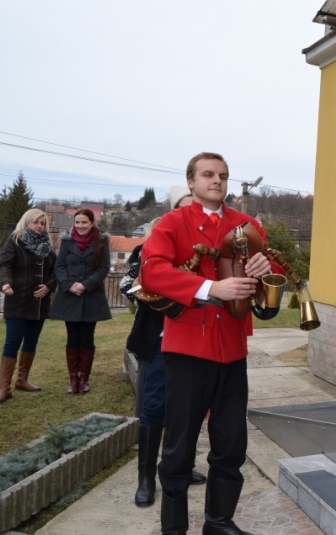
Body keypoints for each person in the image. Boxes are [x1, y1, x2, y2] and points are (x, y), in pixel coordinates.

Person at [141, 152, 281, 535]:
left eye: (222, 175)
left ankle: (219, 522)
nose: (216, 180)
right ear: (191, 181)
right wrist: (209, 287)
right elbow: (151, 271)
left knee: (231, 443)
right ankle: (174, 529)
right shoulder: (173, 222)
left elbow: (276, 269)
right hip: (187, 352)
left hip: (232, 350)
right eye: (207, 174)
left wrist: (266, 268)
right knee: (179, 449)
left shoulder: (247, 224)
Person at [120, 186, 206, 508]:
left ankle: (178, 467)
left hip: (196, 339)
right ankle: (146, 478)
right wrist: (163, 293)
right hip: (159, 340)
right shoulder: (149, 246)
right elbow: (129, 287)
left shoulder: (205, 247)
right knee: (155, 406)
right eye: (185, 206)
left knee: (187, 408)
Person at [50, 208, 112, 394]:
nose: (80, 226)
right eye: (77, 222)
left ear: (92, 223)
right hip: (70, 295)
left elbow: (104, 268)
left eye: (84, 222)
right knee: (72, 338)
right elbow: (59, 266)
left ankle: (84, 379)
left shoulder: (101, 241)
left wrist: (85, 285)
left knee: (87, 338)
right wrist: (69, 285)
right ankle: (73, 379)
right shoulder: (67, 241)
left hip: (91, 295)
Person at [0, 209, 57, 403]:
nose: (39, 226)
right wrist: (5, 283)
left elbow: (55, 272)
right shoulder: (15, 241)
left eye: (42, 223)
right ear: (27, 222)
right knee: (12, 342)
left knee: (31, 342)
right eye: (36, 222)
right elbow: (5, 264)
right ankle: (4, 387)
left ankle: (22, 380)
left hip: (39, 304)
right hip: (17, 300)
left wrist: (49, 287)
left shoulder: (47, 246)